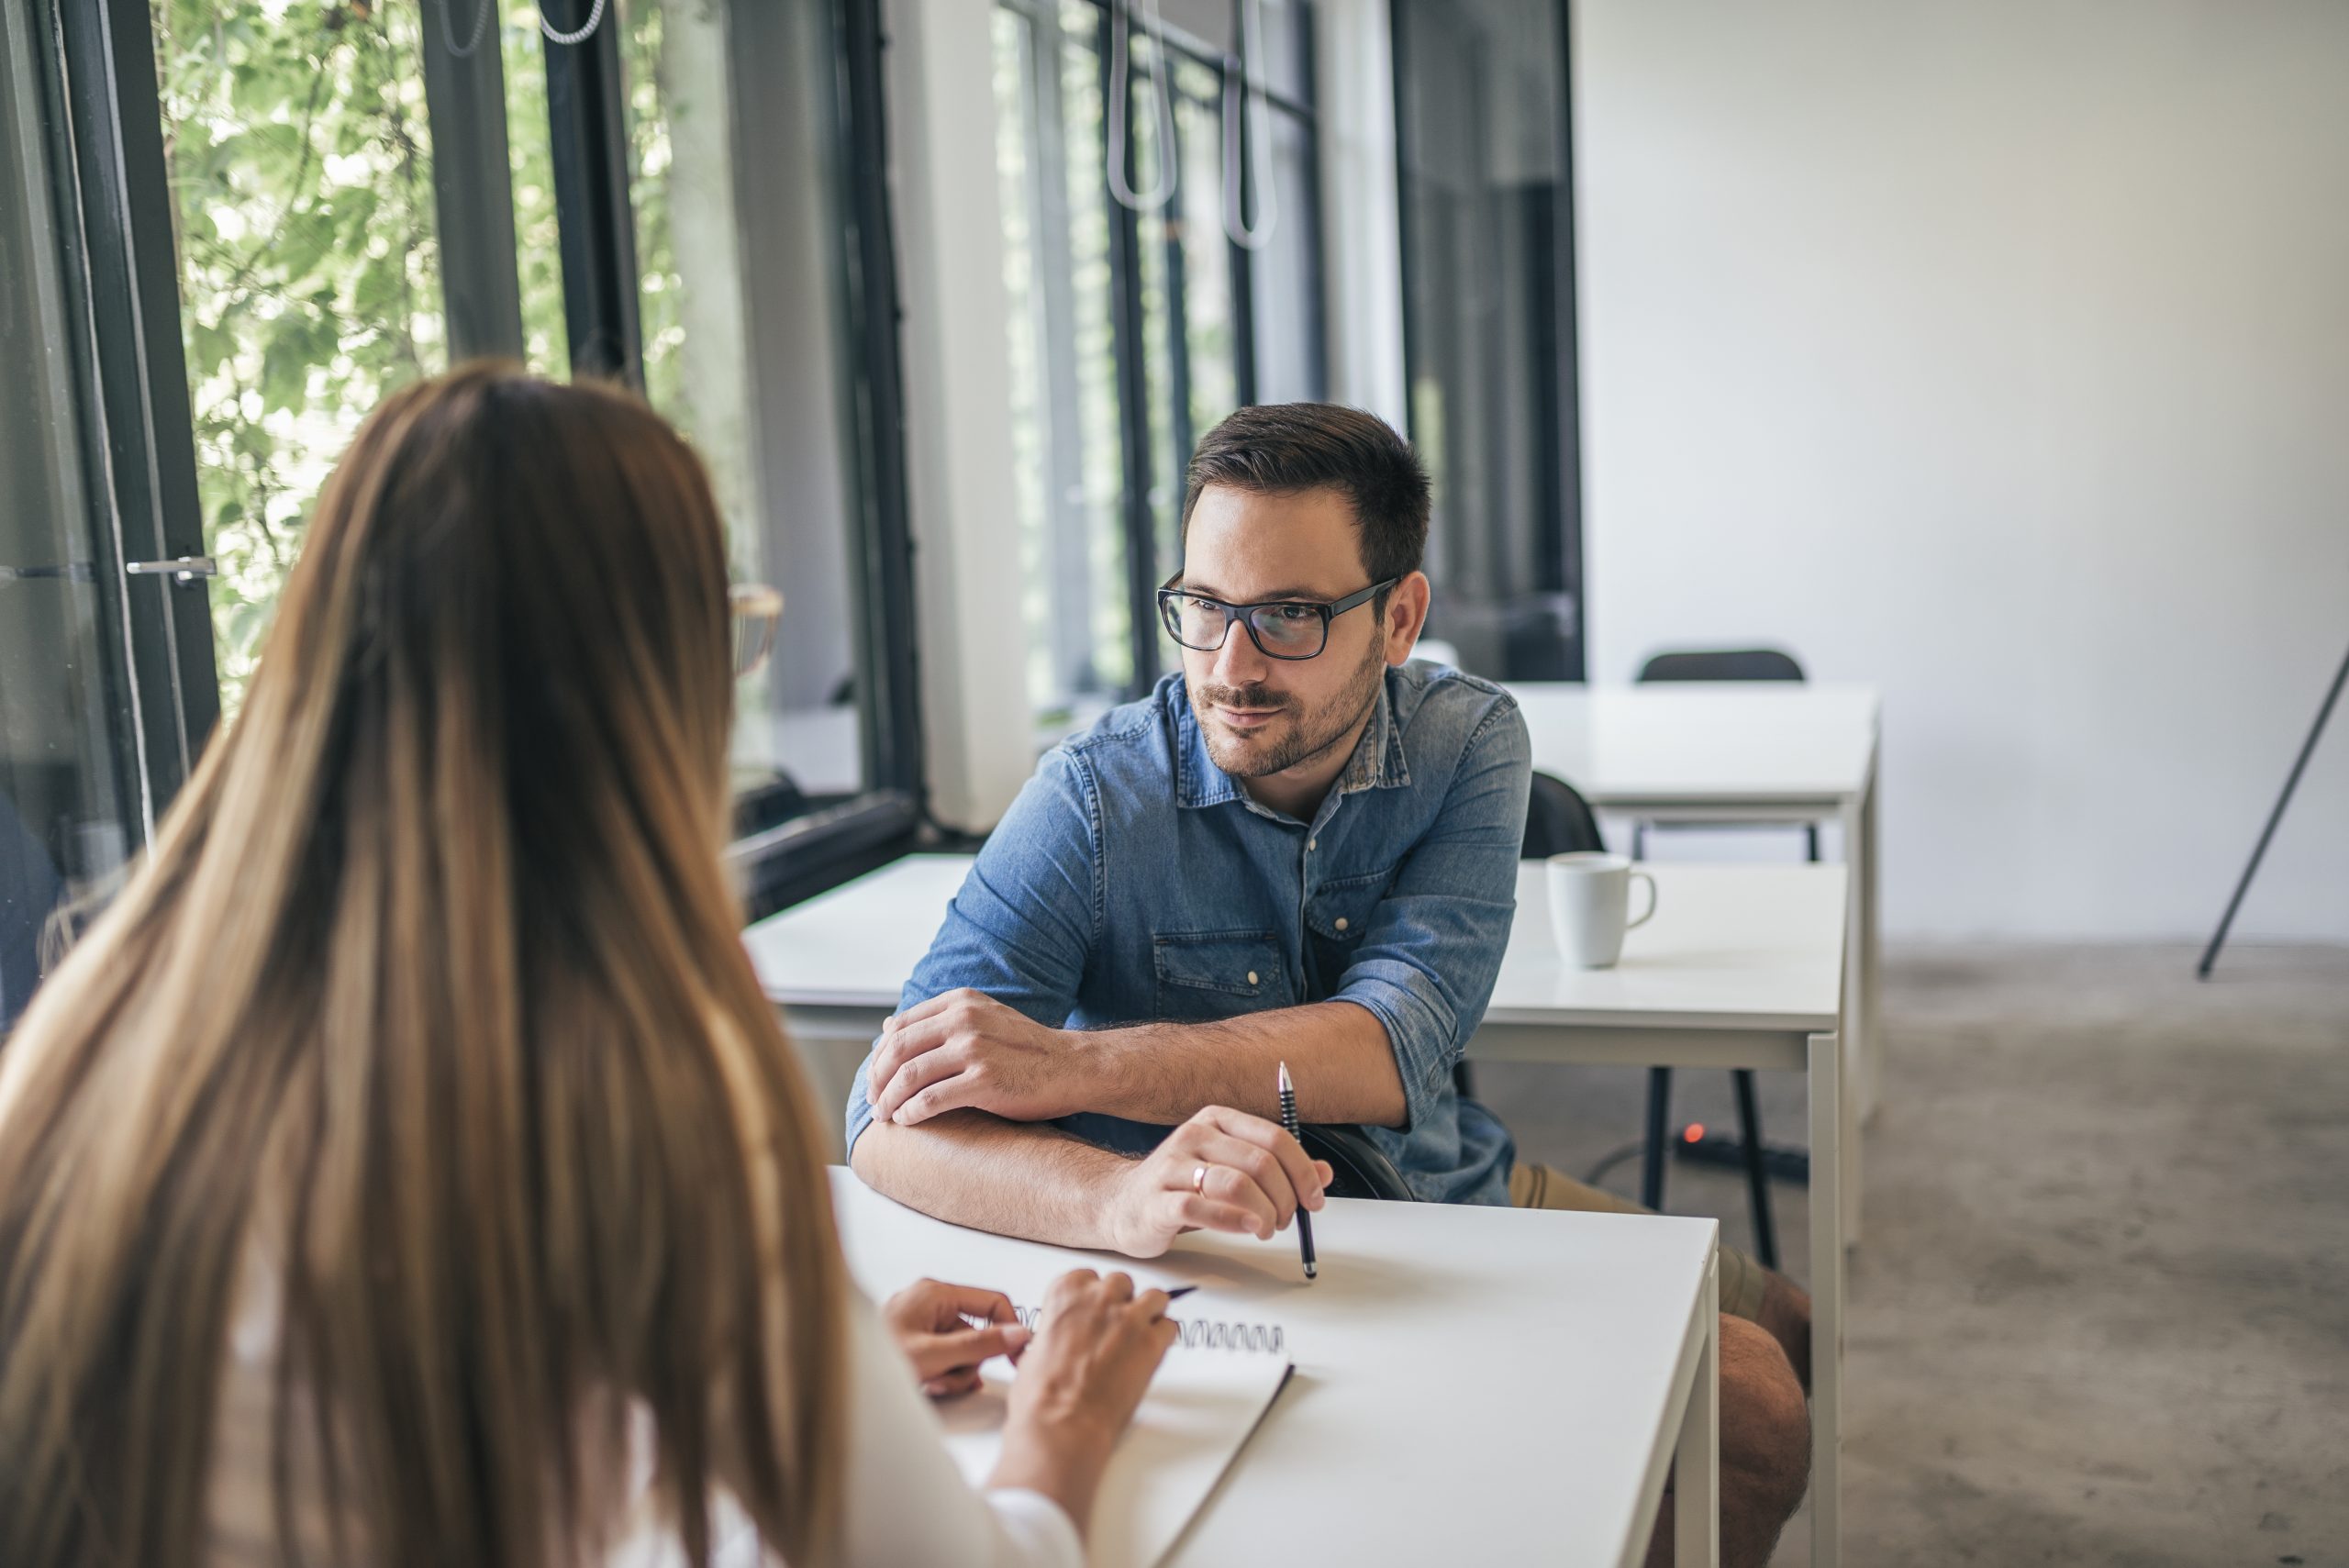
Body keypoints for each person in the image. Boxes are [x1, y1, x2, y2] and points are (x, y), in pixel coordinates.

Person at [0, 366, 1177, 1568]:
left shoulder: (91, 1035)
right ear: (651, 698)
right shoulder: (629, 1093)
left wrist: (798, 1371)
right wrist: (1063, 1422)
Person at [847, 403, 1814, 1568]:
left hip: (1446, 1190)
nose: (1230, 666)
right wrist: (1116, 1195)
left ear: (1398, 618)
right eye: (1204, 607)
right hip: (1218, 1258)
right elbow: (881, 1123)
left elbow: (1391, 1046)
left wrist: (1073, 1064)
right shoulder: (1094, 795)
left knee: (1790, 1324)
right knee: (1750, 1401)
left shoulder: (1469, 743)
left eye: (1288, 617)